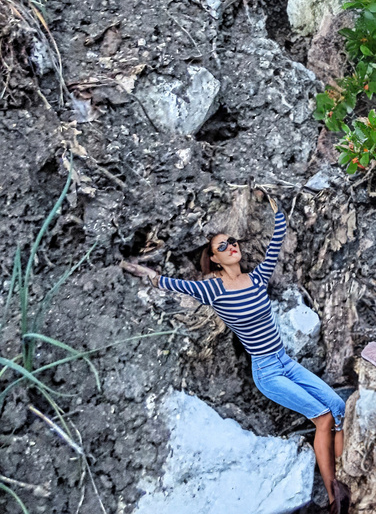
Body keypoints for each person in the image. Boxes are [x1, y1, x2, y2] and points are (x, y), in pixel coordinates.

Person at [121, 189, 349, 514]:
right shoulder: (212, 288)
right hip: (267, 372)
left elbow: (276, 244)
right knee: (323, 416)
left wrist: (276, 209)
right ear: (214, 258)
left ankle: (346, 476)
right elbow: (165, 282)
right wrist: (136, 269)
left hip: (286, 361)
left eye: (233, 242)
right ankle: (333, 497)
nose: (232, 247)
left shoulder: (257, 279)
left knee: (338, 407)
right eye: (222, 246)